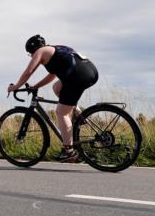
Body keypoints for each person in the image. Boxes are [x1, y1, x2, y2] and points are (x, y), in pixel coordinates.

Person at [7, 34, 99, 162]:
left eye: (30, 54)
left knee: (61, 112)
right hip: (90, 71)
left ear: (33, 50)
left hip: (78, 76)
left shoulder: (41, 51)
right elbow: (52, 76)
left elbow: (29, 71)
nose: (32, 57)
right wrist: (36, 86)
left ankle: (69, 151)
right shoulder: (53, 50)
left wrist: (16, 86)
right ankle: (78, 113)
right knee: (57, 87)